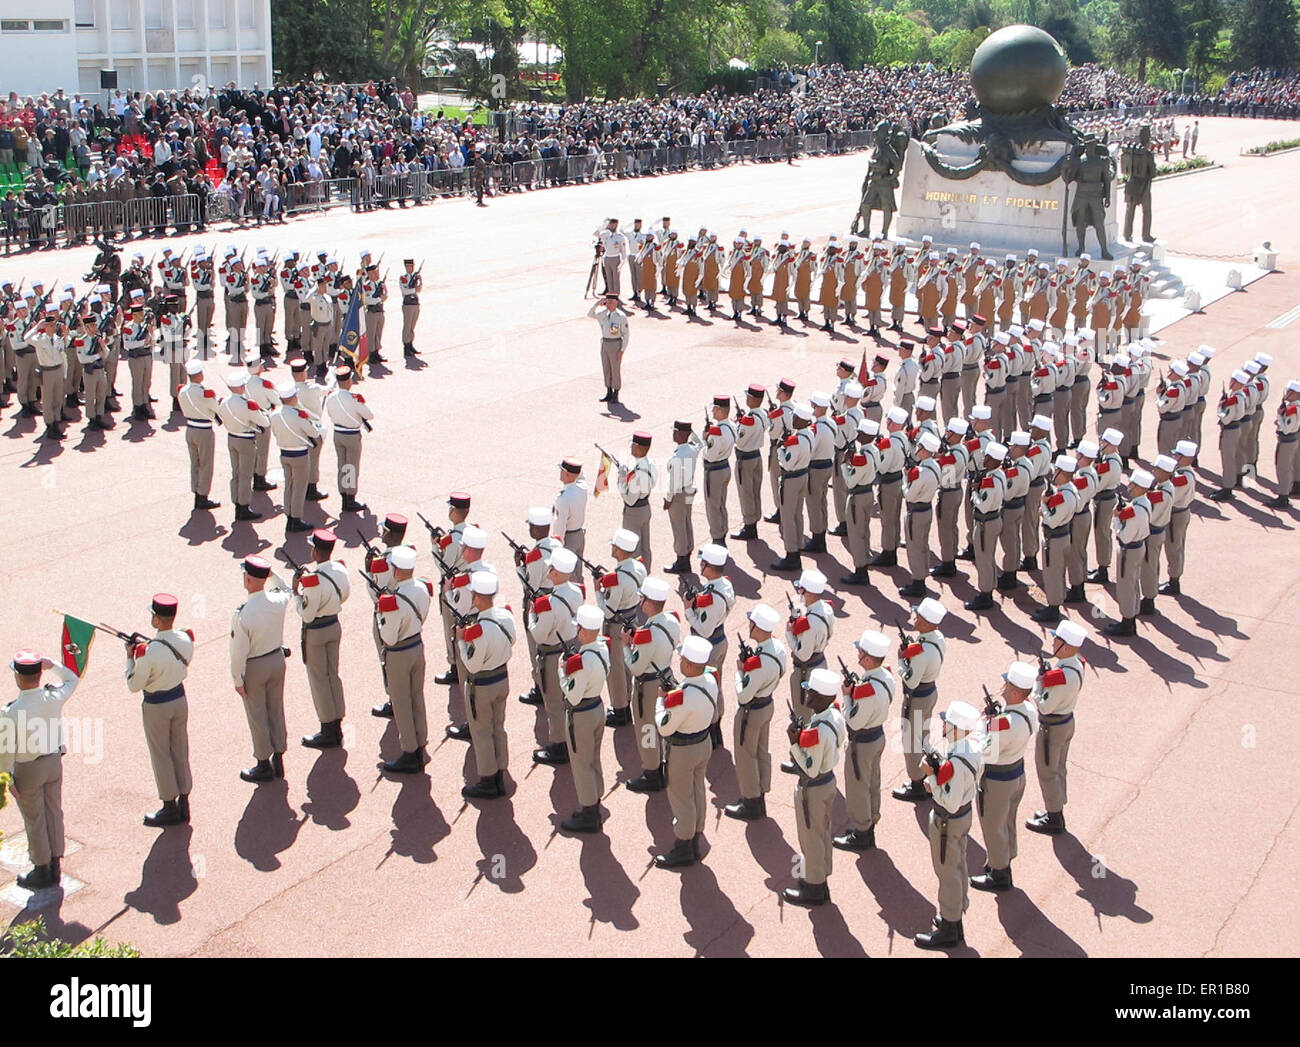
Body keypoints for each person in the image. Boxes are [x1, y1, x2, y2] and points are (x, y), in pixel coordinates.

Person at [0, 651, 78, 890]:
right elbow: (72, 679)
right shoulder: (51, 697)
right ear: (38, 673)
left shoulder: (10, 712)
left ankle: (41, 869)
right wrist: (52, 664)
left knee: (35, 818)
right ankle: (55, 862)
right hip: (53, 762)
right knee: (54, 811)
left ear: (18, 677)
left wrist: (7, 778)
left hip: (28, 769)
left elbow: (5, 752)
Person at [913, 700, 983, 950]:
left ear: (956, 728)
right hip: (963, 817)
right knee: (958, 865)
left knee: (947, 873)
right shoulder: (972, 747)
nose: (942, 724)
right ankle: (954, 915)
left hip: (948, 821)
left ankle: (950, 929)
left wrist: (931, 777)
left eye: (946, 722)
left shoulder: (955, 762)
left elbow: (948, 801)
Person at [124, 594, 195, 828]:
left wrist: (130, 658)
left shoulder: (148, 651)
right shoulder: (185, 637)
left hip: (157, 705)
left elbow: (134, 685)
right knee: (180, 749)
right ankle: (184, 799)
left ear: (157, 618)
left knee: (161, 754)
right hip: (179, 697)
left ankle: (169, 805)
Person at [972, 660, 1038, 892]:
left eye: (1006, 684)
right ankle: (1005, 859)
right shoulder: (1029, 709)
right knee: (1007, 821)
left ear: (1013, 691)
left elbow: (985, 752)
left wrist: (985, 723)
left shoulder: (1004, 723)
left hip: (998, 780)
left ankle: (1000, 873)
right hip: (1017, 773)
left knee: (992, 825)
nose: (1003, 686)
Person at [652, 635, 718, 869]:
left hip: (683, 750)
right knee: (698, 789)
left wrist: (662, 701)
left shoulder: (681, 697)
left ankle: (684, 845)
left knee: (681, 797)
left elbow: (664, 726)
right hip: (703, 742)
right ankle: (697, 833)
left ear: (688, 665)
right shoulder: (710, 680)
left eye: (682, 659)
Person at [783, 667, 844, 907]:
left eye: (810, 692)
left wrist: (794, 743)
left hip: (814, 785)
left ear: (820, 697)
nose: (805, 694)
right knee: (821, 833)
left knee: (811, 837)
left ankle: (815, 886)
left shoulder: (818, 731)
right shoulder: (832, 716)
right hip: (827, 781)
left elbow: (809, 766)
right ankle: (820, 876)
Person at [230, 555, 293, 783]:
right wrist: (271, 573)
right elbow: (285, 587)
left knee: (257, 714)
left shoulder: (243, 613)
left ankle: (263, 763)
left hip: (255, 665)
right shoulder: (277, 600)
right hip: (276, 659)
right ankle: (279, 757)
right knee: (275, 708)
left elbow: (238, 652)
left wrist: (237, 679)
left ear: (248, 580)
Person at [374, 545, 433, 773]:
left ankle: (410, 751)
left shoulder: (393, 600)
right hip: (417, 645)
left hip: (398, 652)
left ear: (396, 571)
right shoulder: (421, 587)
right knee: (417, 696)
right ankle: (420, 742)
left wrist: (381, 616)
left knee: (401, 701)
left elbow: (388, 637)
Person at [459, 572, 518, 799]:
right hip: (502, 678)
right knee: (498, 727)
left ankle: (487, 779)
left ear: (477, 598)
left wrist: (462, 641)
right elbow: (511, 639)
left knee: (481, 731)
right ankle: (500, 772)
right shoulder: (504, 616)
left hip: (482, 684)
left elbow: (472, 665)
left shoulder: (479, 630)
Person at [834, 629, 894, 851]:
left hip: (863, 741)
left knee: (858, 787)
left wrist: (848, 695)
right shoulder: (885, 675)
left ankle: (861, 832)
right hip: (877, 735)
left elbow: (854, 721)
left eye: (860, 652)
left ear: (868, 658)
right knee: (872, 782)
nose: (857, 654)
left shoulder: (866, 690)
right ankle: (870, 822)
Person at [726, 603, 787, 821]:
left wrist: (740, 672)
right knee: (762, 751)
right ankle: (760, 793)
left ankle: (751, 801)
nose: (749, 625)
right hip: (767, 704)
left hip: (751, 711)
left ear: (757, 627)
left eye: (752, 623)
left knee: (745, 755)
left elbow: (743, 695)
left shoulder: (758, 662)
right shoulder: (777, 648)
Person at [1026, 618, 1087, 835]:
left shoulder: (1061, 677)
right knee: (1058, 767)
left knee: (1047, 770)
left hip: (1052, 726)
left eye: (1057, 641)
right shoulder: (1077, 662)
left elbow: (1044, 705)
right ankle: (1056, 807)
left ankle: (1054, 817)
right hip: (1066, 721)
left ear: (1067, 646)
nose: (1052, 644)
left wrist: (1039, 682)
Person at [294, 528, 351, 749]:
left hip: (316, 630)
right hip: (333, 624)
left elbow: (307, 613)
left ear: (317, 551)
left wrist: (296, 592)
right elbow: (345, 594)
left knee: (319, 679)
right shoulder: (339, 569)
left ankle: (328, 728)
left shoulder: (313, 580)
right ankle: (337, 721)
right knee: (332, 674)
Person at [557, 605, 611, 833]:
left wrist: (563, 670)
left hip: (581, 713)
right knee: (593, 758)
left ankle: (589, 812)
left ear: (584, 630)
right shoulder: (601, 648)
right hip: (597, 706)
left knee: (581, 763)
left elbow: (573, 694)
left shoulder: (579, 661)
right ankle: (595, 799)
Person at [623, 576, 678, 792]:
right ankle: (661, 763)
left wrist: (626, 645)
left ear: (648, 602)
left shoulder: (648, 634)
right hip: (665, 674)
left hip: (648, 685)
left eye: (642, 599)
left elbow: (635, 667)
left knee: (646, 728)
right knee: (661, 725)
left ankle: (651, 771)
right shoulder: (671, 621)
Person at [893, 597, 947, 802]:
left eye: (918, 616)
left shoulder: (921, 650)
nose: (914, 618)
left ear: (925, 623)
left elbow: (911, 680)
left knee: (911, 740)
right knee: (922, 735)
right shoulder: (938, 638)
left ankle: (917, 782)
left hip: (917, 696)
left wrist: (902, 659)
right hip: (930, 691)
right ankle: (927, 771)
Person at [217, 370, 270, 523]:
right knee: (246, 475)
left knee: (236, 473)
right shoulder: (247, 405)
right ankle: (244, 506)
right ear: (241, 387)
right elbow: (264, 423)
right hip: (245, 439)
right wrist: (261, 412)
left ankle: (237, 504)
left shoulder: (224, 402)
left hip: (231, 438)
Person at [324, 365, 374, 513]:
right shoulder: (354, 398)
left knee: (342, 465)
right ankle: (350, 498)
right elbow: (369, 415)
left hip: (338, 433)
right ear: (347, 382)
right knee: (351, 467)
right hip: (351, 435)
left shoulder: (331, 396)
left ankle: (344, 496)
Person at [177, 358, 222, 512]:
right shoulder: (205, 393)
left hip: (190, 428)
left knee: (195, 462)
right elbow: (216, 409)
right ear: (199, 374)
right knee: (205, 463)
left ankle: (197, 492)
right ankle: (203, 495)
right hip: (203, 429)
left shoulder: (182, 390)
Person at [552, 457, 589, 582]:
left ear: (567, 474)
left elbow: (560, 525)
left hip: (568, 538)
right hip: (579, 535)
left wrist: (557, 545)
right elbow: (581, 476)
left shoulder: (563, 498)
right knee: (578, 573)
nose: (560, 473)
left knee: (568, 576)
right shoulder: (582, 488)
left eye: (562, 471)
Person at [588, 294, 630, 405]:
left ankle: (616, 393)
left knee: (615, 369)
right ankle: (608, 391)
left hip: (615, 343)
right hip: (605, 343)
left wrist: (622, 350)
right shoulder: (603, 314)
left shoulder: (620, 316)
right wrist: (597, 304)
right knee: (606, 368)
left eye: (611, 302)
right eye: (608, 302)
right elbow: (590, 314)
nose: (609, 304)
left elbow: (626, 335)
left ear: (616, 303)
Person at [1269, 382, 1300, 508]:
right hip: (1290, 439)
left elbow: (1287, 428)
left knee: (1283, 468)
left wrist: (1279, 417)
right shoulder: (1292, 407)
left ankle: (1283, 497)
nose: (1287, 394)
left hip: (1287, 439)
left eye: (1290, 392)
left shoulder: (1292, 409)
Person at [398, 259, 422, 358]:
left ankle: (411, 344)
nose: (410, 268)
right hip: (407, 304)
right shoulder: (403, 278)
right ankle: (406, 346)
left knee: (412, 326)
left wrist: (420, 281)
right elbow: (405, 291)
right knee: (407, 326)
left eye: (411, 266)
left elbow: (419, 290)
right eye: (408, 266)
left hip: (415, 303)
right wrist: (414, 289)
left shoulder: (415, 277)